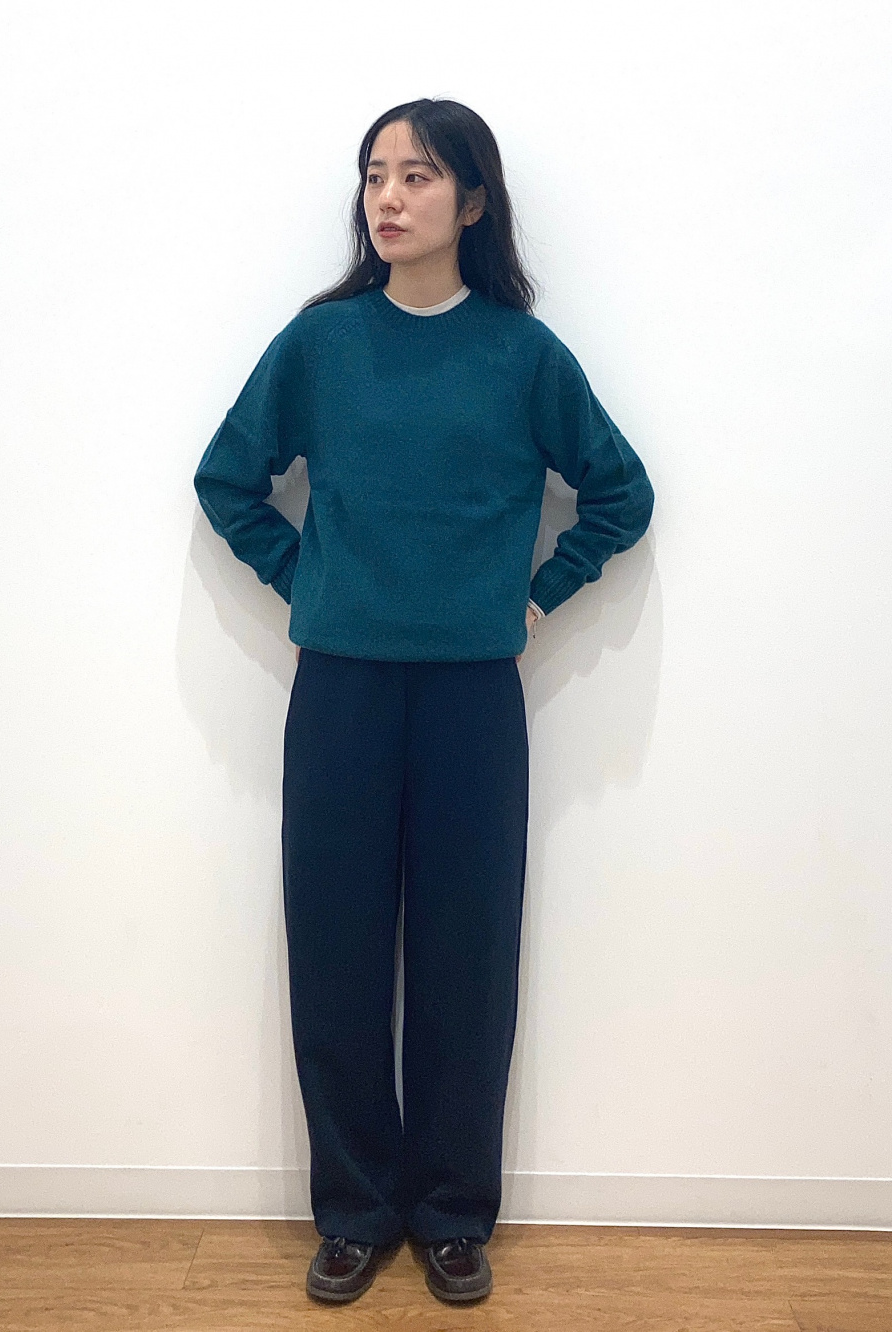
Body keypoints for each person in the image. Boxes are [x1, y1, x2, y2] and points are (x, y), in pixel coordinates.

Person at [193, 97, 654, 1306]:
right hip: (341, 687)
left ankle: (452, 1212)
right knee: (335, 946)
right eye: (373, 175)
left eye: (417, 175)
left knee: (467, 952)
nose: (388, 197)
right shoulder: (321, 345)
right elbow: (228, 479)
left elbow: (620, 492)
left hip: (470, 698)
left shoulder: (522, 356)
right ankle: (353, 1210)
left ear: (473, 199)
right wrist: (312, 581)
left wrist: (538, 595)